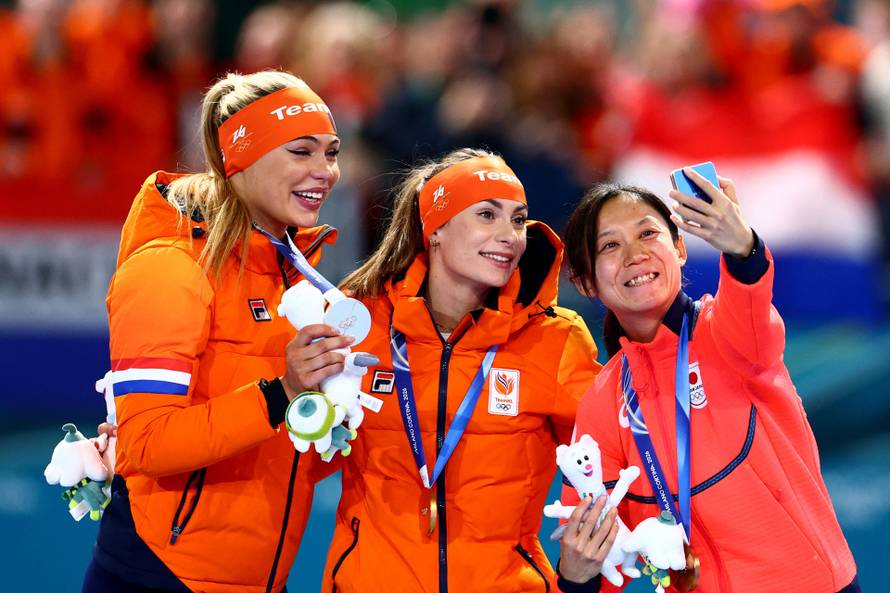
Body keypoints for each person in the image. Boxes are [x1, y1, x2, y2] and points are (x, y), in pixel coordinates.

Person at [82, 70, 355, 593]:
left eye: (332, 152)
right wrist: (285, 392)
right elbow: (146, 444)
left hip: (258, 575)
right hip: (160, 575)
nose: (326, 171)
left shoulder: (294, 275)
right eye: (302, 152)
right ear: (240, 158)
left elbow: (277, 452)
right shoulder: (171, 267)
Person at [557, 171, 859, 592]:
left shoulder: (727, 333)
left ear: (679, 248)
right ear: (586, 281)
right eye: (610, 245)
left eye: (647, 233)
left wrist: (743, 248)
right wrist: (574, 575)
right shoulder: (602, 403)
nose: (634, 255)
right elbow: (597, 558)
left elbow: (750, 296)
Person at [319, 148, 603, 592]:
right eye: (487, 215)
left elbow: (613, 463)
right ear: (436, 230)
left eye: (517, 218)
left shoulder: (555, 340)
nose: (509, 234)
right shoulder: (359, 323)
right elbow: (299, 458)